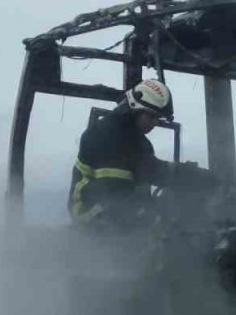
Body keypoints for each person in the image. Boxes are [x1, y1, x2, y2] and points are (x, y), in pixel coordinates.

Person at [68, 78, 222, 232]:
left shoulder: (138, 143)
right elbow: (117, 197)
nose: (154, 123)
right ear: (135, 109)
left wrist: (193, 175)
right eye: (151, 116)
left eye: (158, 118)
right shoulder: (105, 135)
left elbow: (153, 170)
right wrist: (160, 218)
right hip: (92, 219)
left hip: (118, 219)